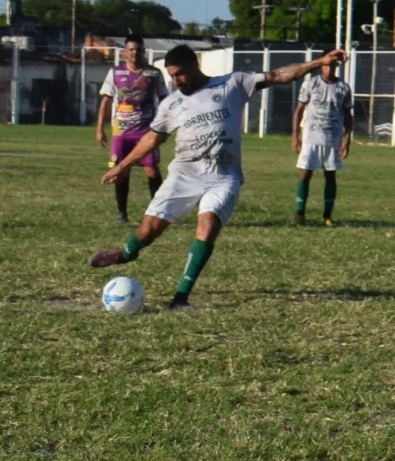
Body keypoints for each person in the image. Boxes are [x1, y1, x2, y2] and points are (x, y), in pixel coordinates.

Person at [86, 45, 344, 308]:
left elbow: (278, 75)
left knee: (207, 227)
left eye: (179, 75)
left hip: (224, 176)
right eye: (171, 76)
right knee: (147, 230)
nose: (176, 81)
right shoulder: (171, 103)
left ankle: (180, 298)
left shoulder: (232, 84)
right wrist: (123, 165)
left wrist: (318, 62)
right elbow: (153, 137)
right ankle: (126, 254)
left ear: (194, 64)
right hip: (184, 174)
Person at [96, 36, 167, 224]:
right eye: (131, 49)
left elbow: (165, 100)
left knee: (152, 170)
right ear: (125, 52)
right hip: (121, 132)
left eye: (139, 50)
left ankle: (158, 213)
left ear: (144, 52)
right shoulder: (115, 72)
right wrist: (99, 129)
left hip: (146, 132)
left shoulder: (154, 74)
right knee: (121, 171)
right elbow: (106, 101)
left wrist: (164, 126)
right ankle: (122, 214)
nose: (135, 53)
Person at [292, 53, 354, 227]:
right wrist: (295, 136)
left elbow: (348, 115)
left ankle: (327, 215)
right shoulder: (310, 84)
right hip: (311, 137)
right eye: (327, 65)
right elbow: (299, 110)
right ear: (322, 66)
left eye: (333, 66)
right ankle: (300, 213)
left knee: (331, 176)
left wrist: (347, 140)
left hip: (332, 139)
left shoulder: (343, 88)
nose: (330, 69)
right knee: (305, 174)